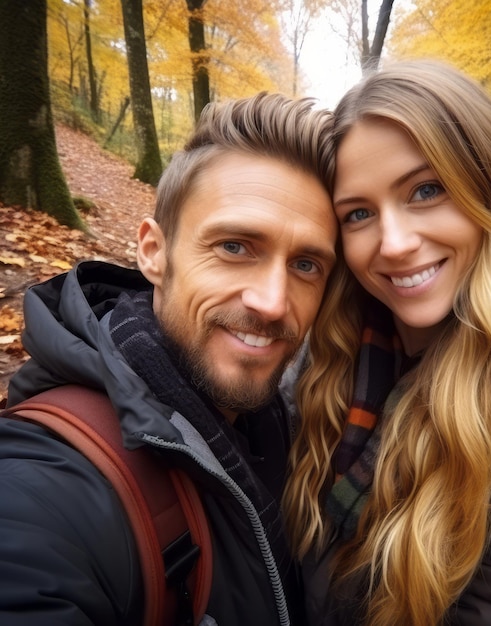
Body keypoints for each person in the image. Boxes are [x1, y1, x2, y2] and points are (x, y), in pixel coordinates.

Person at [282, 60, 491, 626]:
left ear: (489, 192)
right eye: (360, 213)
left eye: (425, 190)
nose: (393, 243)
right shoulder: (323, 364)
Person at [0, 92, 339, 625]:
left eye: (306, 264)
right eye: (234, 247)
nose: (273, 303)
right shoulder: (49, 488)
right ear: (154, 253)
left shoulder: (283, 420)